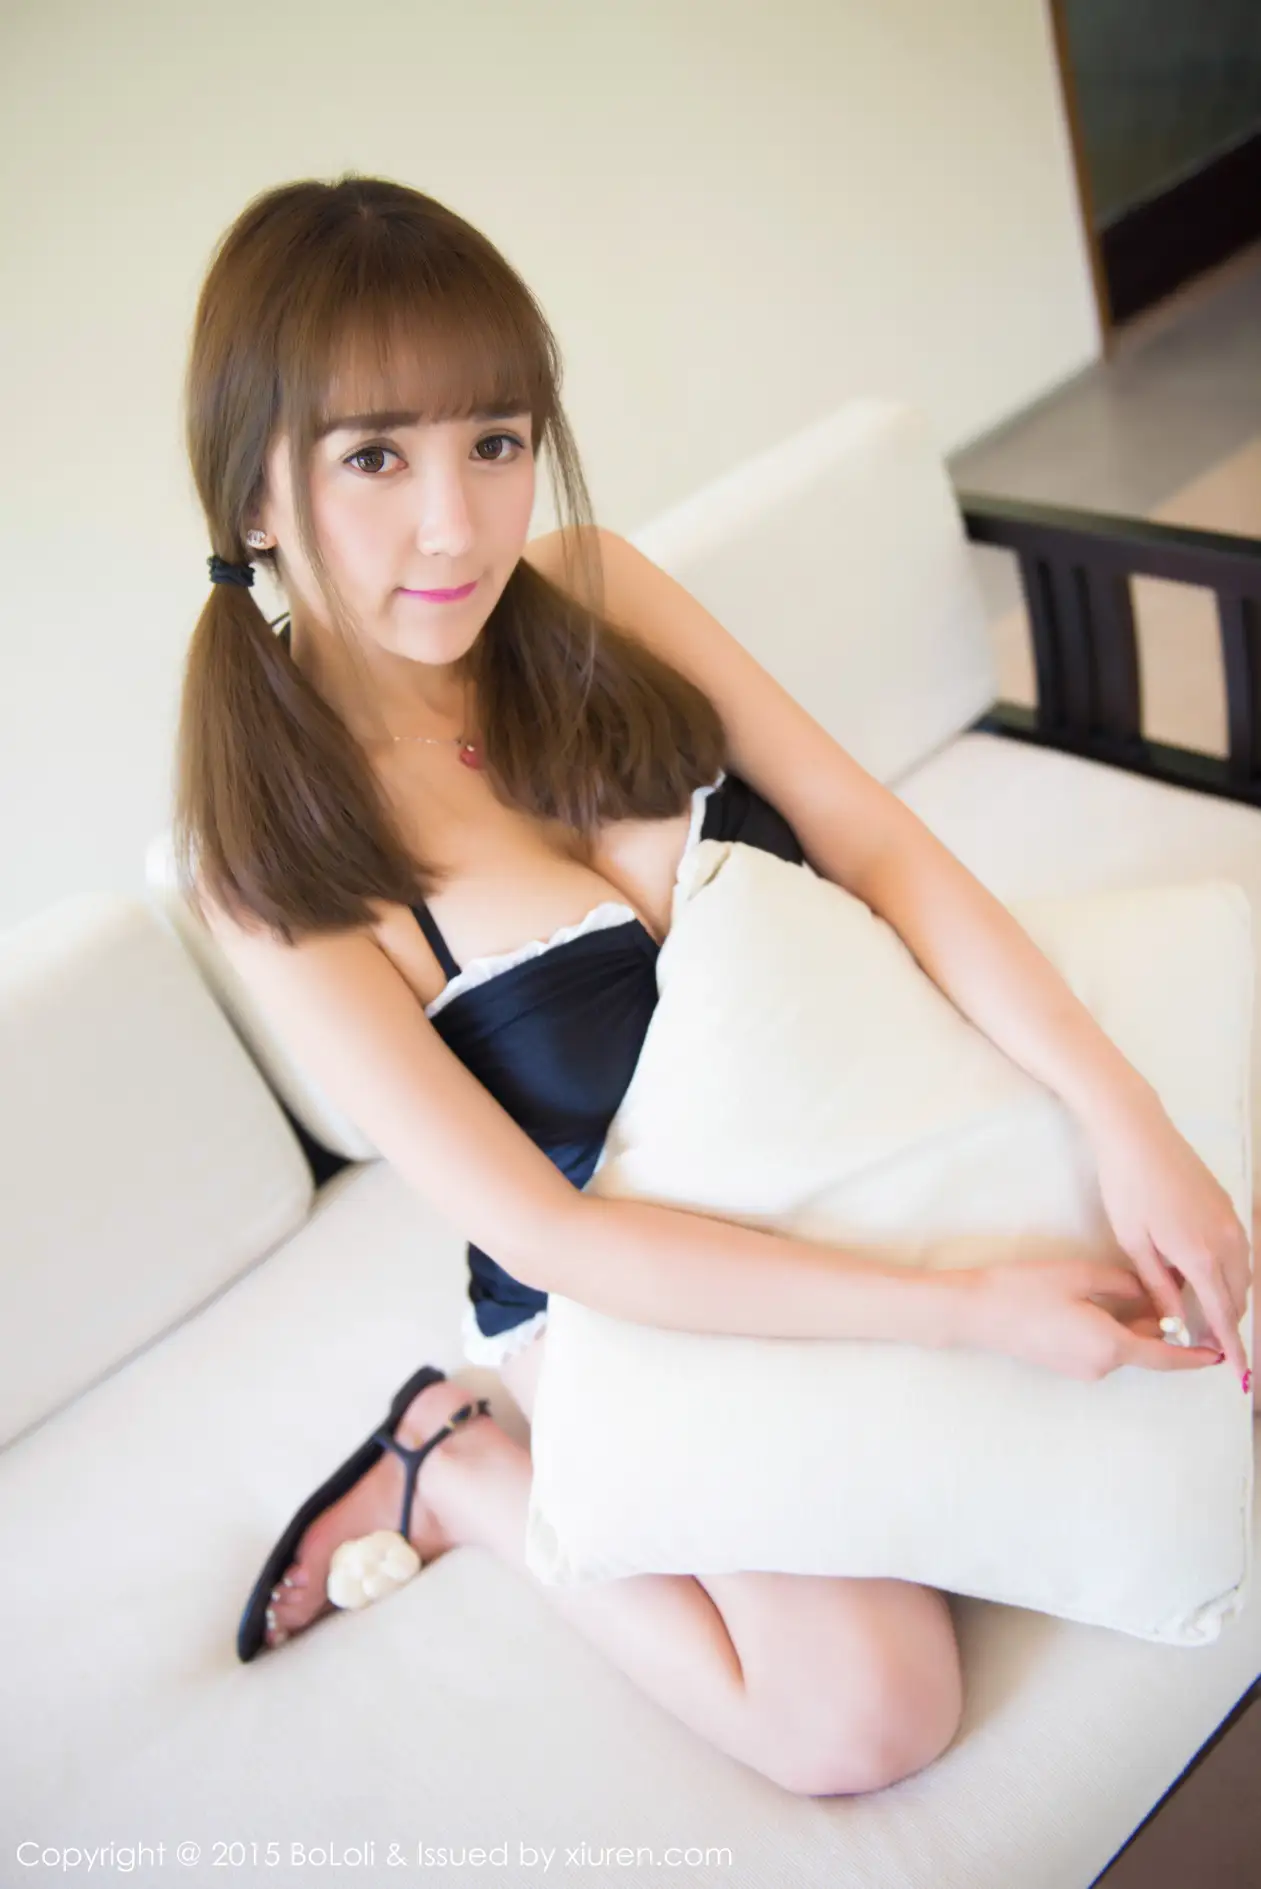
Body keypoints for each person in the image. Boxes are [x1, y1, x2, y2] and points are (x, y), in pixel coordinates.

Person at [175, 173, 1255, 1799]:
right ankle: (464, 1467)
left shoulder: (594, 590)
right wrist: (964, 1311)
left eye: (495, 440)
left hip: (863, 1132)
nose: (457, 524)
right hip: (627, 1289)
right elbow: (555, 1239)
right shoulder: (270, 857)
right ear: (255, 491)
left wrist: (1127, 1116)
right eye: (374, 458)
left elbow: (875, 846)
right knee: (865, 1717)